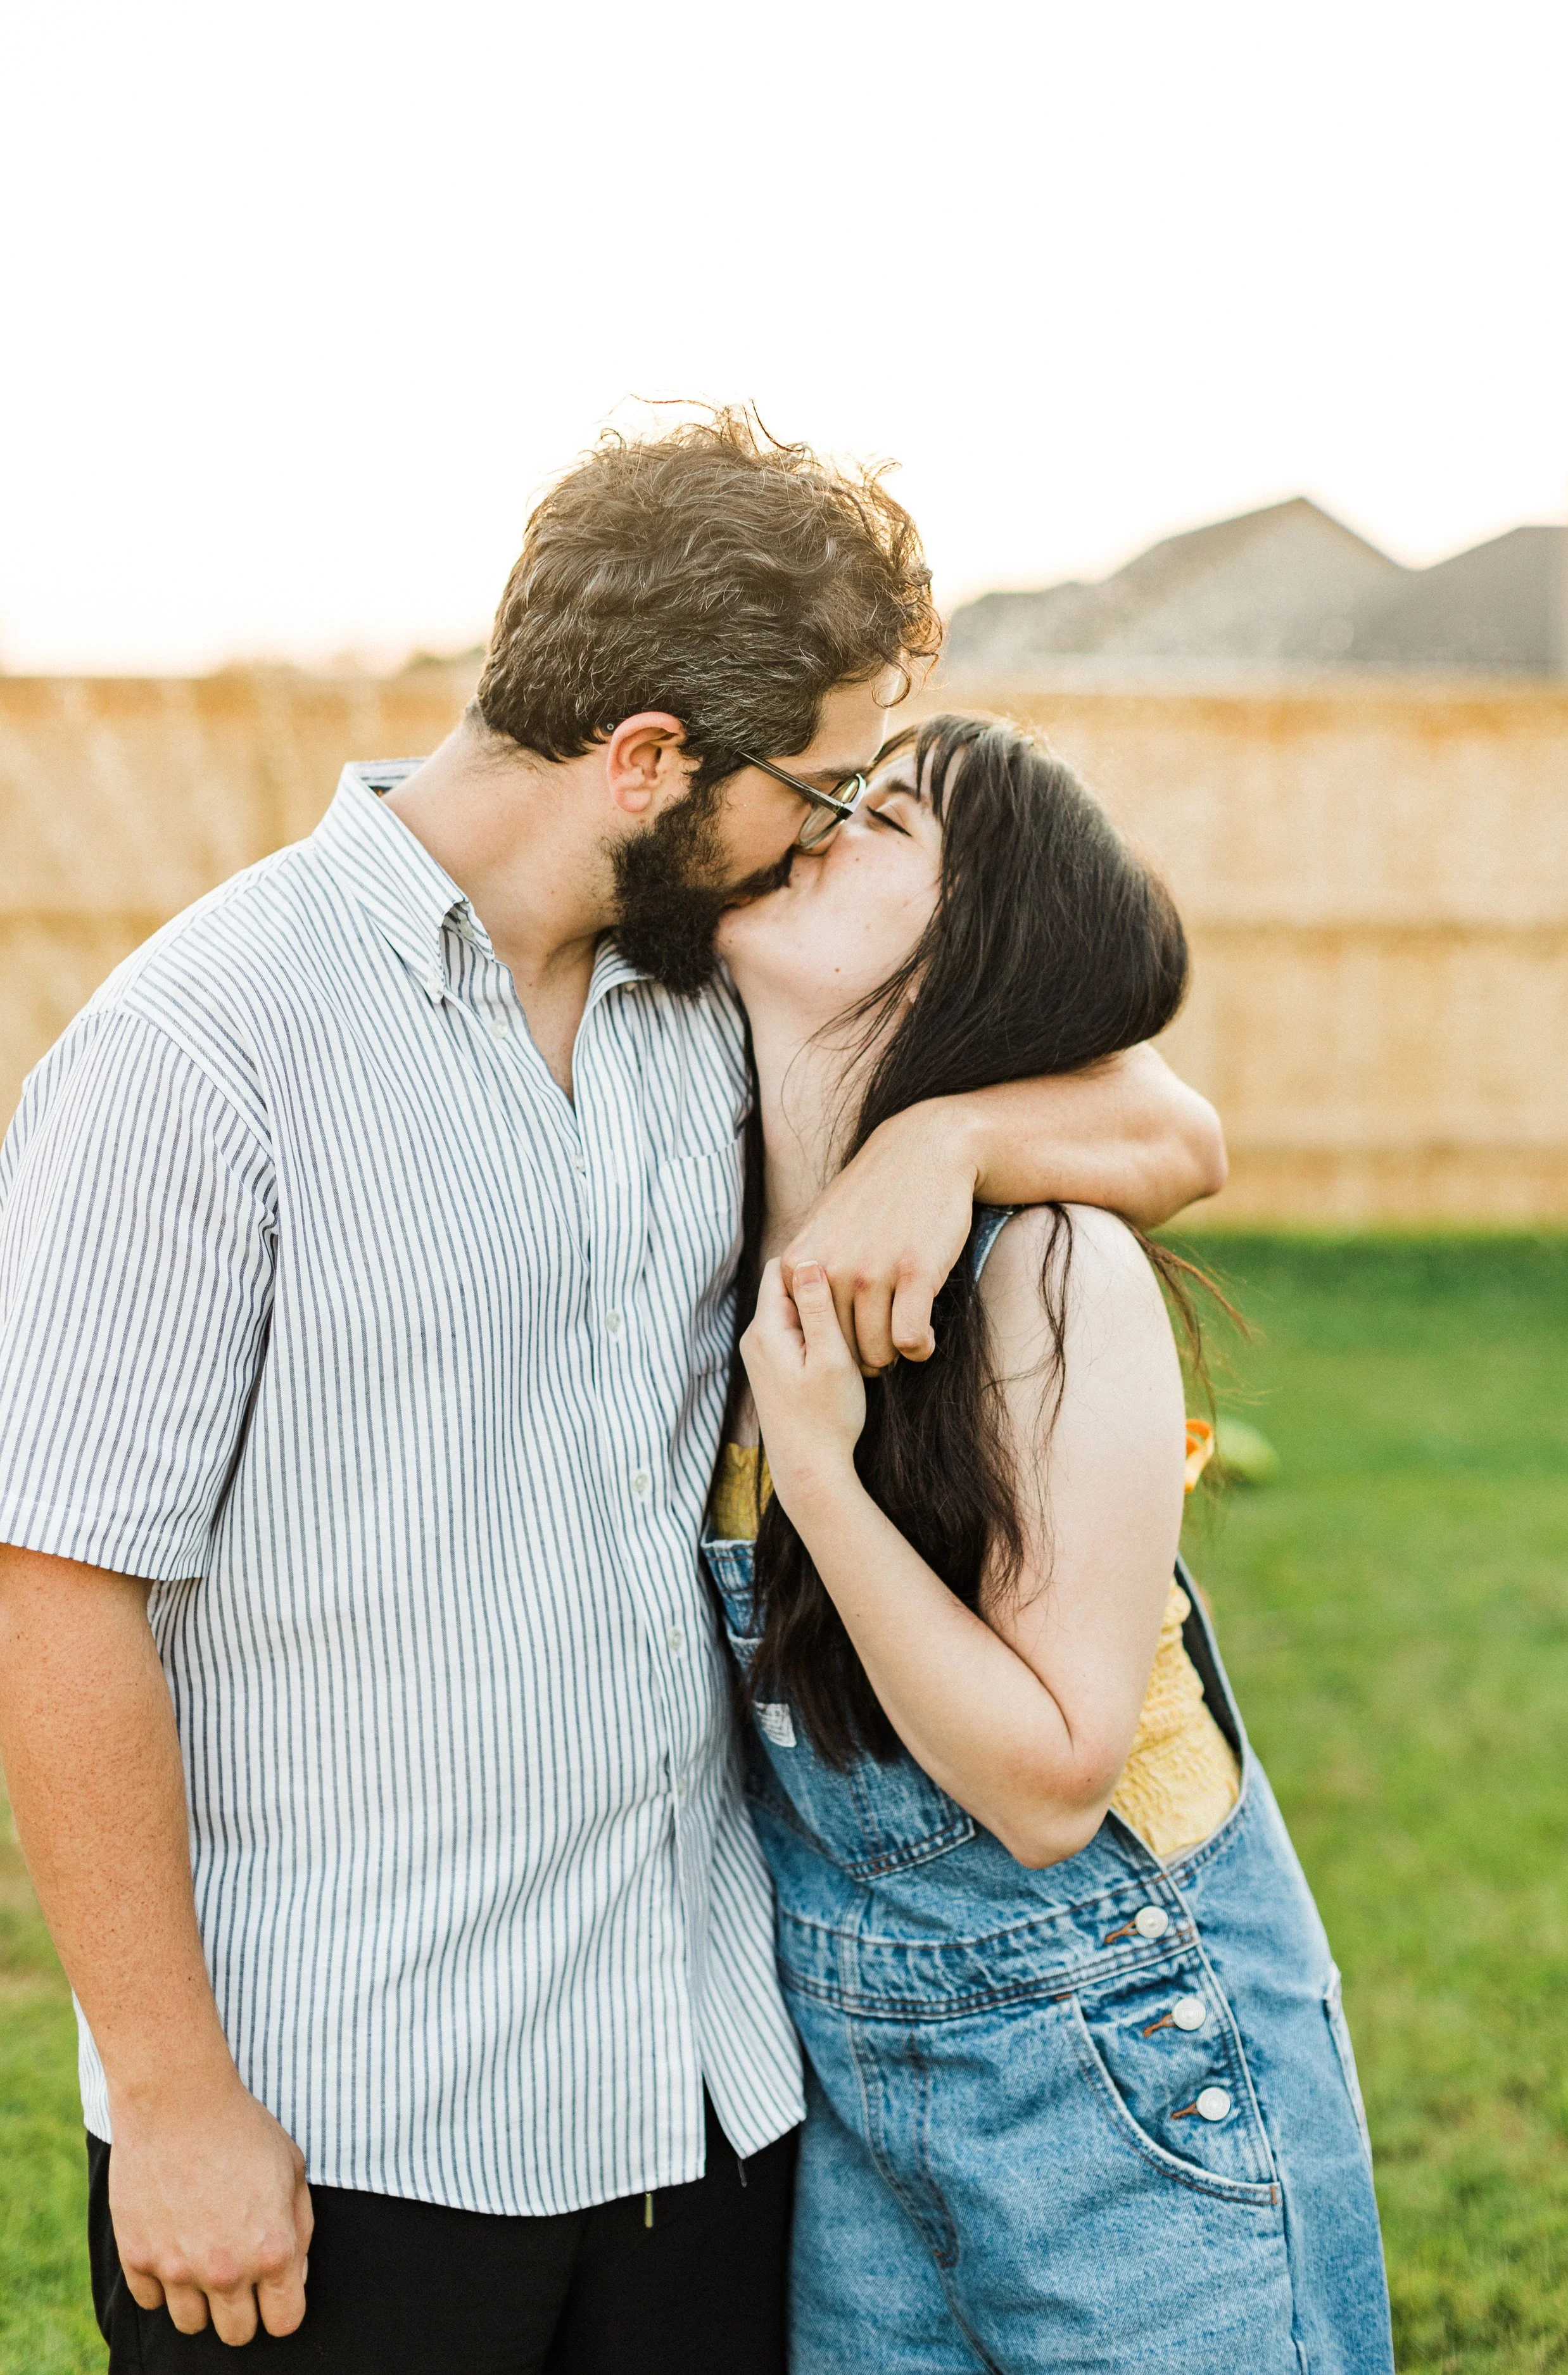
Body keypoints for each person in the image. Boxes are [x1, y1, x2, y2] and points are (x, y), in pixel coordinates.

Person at [0, 416, 1227, 2372]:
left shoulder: (712, 1001)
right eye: (812, 791)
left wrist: (948, 1141)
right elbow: (56, 1589)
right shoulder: (198, 1052)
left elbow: (1174, 1128)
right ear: (650, 757)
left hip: (704, 2103)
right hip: (350, 2128)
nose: (827, 839)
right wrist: (171, 2095)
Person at [707, 712, 1392, 2373]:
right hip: (860, 2097)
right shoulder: (705, 1189)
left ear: (969, 949)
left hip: (1129, 2072)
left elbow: (1047, 1780)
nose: (814, 825)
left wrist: (812, 1461)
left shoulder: (1045, 1267)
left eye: (877, 821)